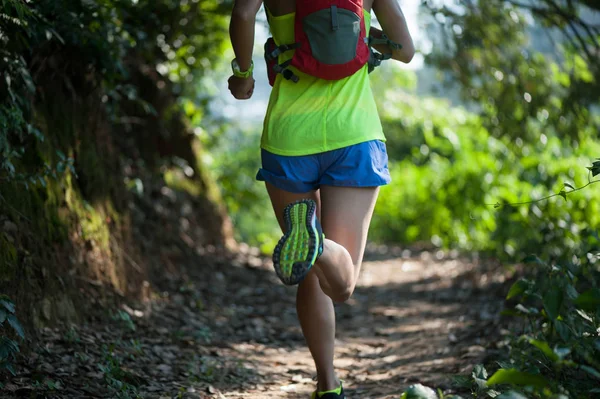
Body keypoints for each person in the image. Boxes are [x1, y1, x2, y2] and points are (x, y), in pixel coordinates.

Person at [228, 1, 414, 397]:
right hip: (354, 134)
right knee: (341, 285)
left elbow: (243, 14)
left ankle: (327, 381)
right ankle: (319, 241)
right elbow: (406, 50)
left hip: (289, 136)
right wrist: (365, 37)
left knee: (309, 270)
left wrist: (243, 74)